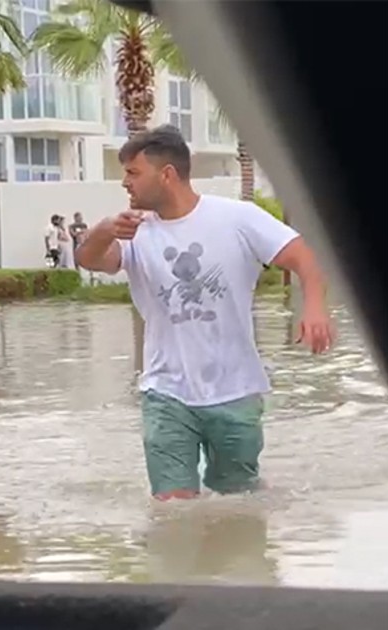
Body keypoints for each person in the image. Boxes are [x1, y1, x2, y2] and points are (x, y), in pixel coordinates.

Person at [74, 125, 333, 501]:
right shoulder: (134, 231)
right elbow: (90, 260)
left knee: (238, 502)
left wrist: (314, 307)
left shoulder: (238, 218)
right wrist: (103, 230)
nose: (125, 184)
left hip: (235, 390)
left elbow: (304, 257)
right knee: (173, 509)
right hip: (165, 393)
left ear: (167, 174)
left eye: (133, 173)